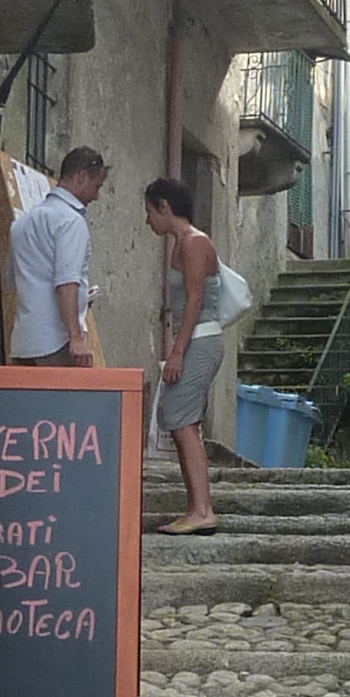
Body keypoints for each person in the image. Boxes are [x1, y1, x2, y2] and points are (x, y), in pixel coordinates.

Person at [144, 173, 232, 532]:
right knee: (181, 421)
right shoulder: (182, 244)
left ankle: (202, 509)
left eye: (150, 211)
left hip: (201, 340)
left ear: (165, 207)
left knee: (183, 423)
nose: (148, 220)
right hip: (194, 340)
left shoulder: (194, 243)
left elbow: (195, 299)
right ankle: (196, 506)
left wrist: (177, 352)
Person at [6, 144, 105, 364]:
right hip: (57, 345)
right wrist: (76, 338)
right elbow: (66, 283)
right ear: (81, 176)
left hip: (23, 344)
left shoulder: (21, 223)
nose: (97, 196)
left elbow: (15, 282)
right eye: (97, 186)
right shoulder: (71, 222)